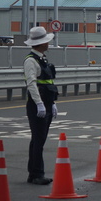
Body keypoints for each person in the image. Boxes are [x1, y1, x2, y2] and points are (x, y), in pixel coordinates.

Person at [24, 26, 59, 185]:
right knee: (38, 140)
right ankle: (36, 173)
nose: (48, 44)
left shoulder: (42, 59)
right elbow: (31, 84)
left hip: (46, 102)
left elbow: (48, 83)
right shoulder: (31, 61)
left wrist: (51, 104)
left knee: (40, 139)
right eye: (46, 42)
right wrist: (39, 104)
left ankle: (34, 172)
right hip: (37, 104)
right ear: (41, 43)